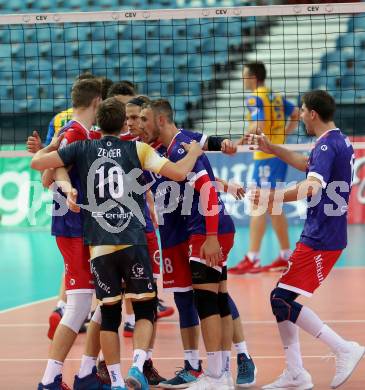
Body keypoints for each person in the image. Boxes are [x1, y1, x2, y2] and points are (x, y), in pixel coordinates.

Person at [31, 96, 204, 390]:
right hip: (132, 240)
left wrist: (51, 147)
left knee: (108, 314)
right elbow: (179, 172)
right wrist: (195, 153)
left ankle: (114, 382)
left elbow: (38, 164)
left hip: (98, 245)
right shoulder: (137, 148)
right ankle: (137, 366)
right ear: (125, 122)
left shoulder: (82, 147)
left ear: (99, 122)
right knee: (145, 308)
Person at [247, 90, 364, 389]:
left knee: (280, 300)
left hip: (322, 238)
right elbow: (305, 164)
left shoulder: (327, 146)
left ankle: (343, 349)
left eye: (301, 110)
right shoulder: (338, 140)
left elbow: (311, 187)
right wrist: (273, 148)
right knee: (281, 301)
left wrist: (271, 197)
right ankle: (296, 373)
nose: (298, 115)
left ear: (312, 113)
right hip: (322, 234)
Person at [140, 99, 255, 389]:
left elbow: (205, 186)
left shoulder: (181, 145)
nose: (138, 125)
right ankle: (218, 372)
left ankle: (222, 370)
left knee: (210, 300)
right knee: (211, 299)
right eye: (132, 120)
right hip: (192, 230)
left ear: (160, 120)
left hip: (204, 230)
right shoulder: (159, 149)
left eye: (143, 119)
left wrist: (212, 236)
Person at [229, 61, 300, 275]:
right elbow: (296, 113)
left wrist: (237, 143)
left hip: (265, 156)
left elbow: (257, 126)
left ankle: (253, 258)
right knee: (272, 204)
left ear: (253, 77)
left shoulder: (255, 97)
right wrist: (282, 136)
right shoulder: (274, 96)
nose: (243, 80)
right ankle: (286, 256)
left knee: (258, 202)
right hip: (276, 152)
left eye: (244, 76)